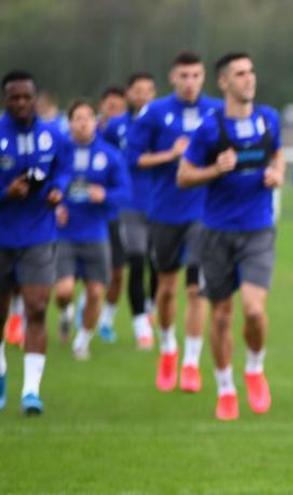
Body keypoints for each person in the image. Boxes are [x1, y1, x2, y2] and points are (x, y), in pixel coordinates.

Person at [178, 52, 284, 420]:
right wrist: (214, 170)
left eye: (251, 71)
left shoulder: (269, 118)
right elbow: (184, 176)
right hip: (216, 233)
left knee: (254, 310)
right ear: (224, 82)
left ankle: (254, 368)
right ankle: (225, 387)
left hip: (258, 230)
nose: (249, 78)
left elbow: (278, 154)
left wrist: (277, 174)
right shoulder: (209, 128)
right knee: (221, 315)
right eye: (240, 73)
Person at [128, 52, 222, 393]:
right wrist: (171, 154)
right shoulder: (154, 113)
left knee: (196, 290)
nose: (190, 82)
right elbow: (134, 159)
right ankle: (168, 349)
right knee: (166, 289)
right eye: (184, 75)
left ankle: (192, 362)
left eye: (196, 75)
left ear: (204, 78)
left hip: (204, 214)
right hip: (165, 212)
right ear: (172, 78)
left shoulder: (217, 111)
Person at [0, 70, 69, 415]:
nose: (22, 103)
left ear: (35, 97)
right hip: (2, 234)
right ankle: (0, 375)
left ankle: (31, 391)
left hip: (39, 234)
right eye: (15, 97)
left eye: (27, 97)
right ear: (5, 100)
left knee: (38, 308)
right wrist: (5, 193)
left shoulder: (52, 133)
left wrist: (59, 190)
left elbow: (64, 170)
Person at [54, 100, 130, 359]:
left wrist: (105, 194)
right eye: (78, 117)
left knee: (96, 292)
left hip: (96, 233)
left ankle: (83, 340)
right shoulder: (59, 152)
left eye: (88, 117)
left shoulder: (109, 155)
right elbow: (47, 184)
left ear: (96, 122)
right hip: (64, 234)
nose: (83, 122)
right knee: (63, 291)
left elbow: (125, 193)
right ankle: (65, 313)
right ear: (70, 122)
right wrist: (55, 205)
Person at [103, 72, 158, 349]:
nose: (143, 95)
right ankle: (141, 326)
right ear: (129, 94)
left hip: (161, 205)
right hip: (129, 205)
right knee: (135, 260)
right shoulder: (115, 127)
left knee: (159, 263)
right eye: (138, 90)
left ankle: (152, 307)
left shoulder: (161, 123)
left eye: (149, 90)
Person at [94, 85, 130, 343]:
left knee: (118, 272)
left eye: (119, 107)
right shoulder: (84, 135)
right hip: (82, 219)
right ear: (102, 106)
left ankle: (106, 320)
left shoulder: (125, 138)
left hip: (114, 215)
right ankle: (75, 307)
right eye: (110, 106)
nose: (115, 111)